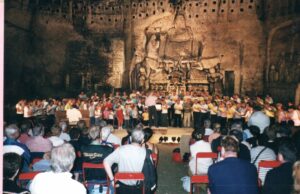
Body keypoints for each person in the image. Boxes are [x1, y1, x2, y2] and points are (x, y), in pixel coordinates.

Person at [104, 129, 147, 194]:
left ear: (130, 138)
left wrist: (112, 180)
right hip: (139, 188)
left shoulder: (121, 149)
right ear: (143, 140)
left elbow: (106, 162)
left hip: (121, 187)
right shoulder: (146, 153)